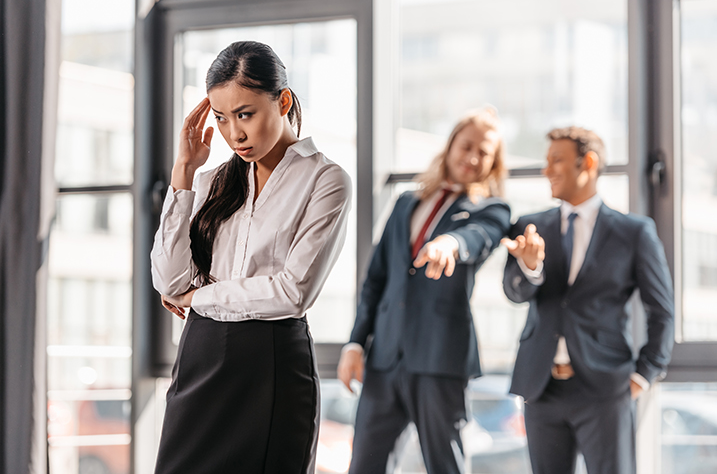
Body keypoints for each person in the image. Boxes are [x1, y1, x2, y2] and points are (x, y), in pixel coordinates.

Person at [150, 41, 351, 474]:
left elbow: (292, 293)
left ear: (283, 101)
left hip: (272, 362)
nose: (234, 134)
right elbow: (169, 281)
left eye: (245, 114)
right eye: (221, 119)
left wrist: (200, 297)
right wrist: (182, 174)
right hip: (202, 355)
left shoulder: (326, 179)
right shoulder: (209, 182)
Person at [337, 108, 511, 474]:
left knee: (445, 467)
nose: (472, 157)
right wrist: (355, 344)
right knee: (364, 466)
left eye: (484, 153)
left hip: (439, 361)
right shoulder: (404, 204)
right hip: (383, 360)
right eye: (466, 146)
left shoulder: (492, 210)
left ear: (494, 164)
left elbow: (478, 239)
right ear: (450, 146)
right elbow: (376, 279)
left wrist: (450, 243)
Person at [501, 127, 674, 474]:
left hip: (604, 390)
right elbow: (514, 291)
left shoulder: (634, 233)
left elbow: (662, 312)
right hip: (541, 387)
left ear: (588, 163)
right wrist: (531, 266)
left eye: (557, 160)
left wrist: (643, 375)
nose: (546, 170)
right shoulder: (529, 227)